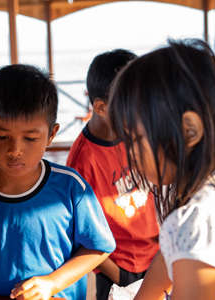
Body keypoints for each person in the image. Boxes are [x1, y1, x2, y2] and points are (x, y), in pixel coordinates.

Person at [0, 64, 116, 300]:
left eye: (30, 138)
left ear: (52, 134)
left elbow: (98, 247)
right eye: (1, 137)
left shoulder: (71, 188)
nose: (15, 150)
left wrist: (52, 283)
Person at [107, 39, 215, 300]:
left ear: (189, 131)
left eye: (135, 140)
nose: (129, 154)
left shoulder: (198, 218)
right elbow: (167, 260)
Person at [66, 49, 160, 300]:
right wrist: (120, 276)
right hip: (117, 275)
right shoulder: (82, 161)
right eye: (131, 104)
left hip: (158, 261)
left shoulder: (136, 136)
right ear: (101, 107)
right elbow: (81, 234)